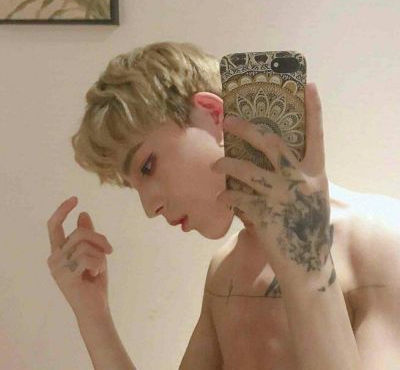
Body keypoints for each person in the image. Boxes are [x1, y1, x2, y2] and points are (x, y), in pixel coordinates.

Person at [46, 41, 400, 370]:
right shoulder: (227, 268)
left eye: (147, 166)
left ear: (213, 114)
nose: (149, 207)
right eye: (133, 186)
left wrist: (306, 263)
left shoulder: (380, 240)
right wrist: (93, 314)